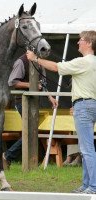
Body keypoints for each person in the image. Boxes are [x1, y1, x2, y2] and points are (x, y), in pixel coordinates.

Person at [27, 30, 96, 194]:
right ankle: (87, 185)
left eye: (80, 40)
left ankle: (92, 186)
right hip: (89, 104)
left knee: (87, 149)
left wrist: (35, 59)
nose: (78, 42)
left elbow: (56, 67)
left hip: (85, 106)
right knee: (86, 147)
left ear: (88, 43)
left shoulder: (83, 62)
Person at [2, 53, 58, 170]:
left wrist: (50, 97)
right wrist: (31, 85)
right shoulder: (21, 62)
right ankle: (8, 156)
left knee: (32, 132)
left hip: (34, 102)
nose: (45, 54)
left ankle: (25, 160)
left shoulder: (40, 62)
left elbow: (42, 85)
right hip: (22, 101)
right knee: (30, 132)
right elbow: (12, 82)